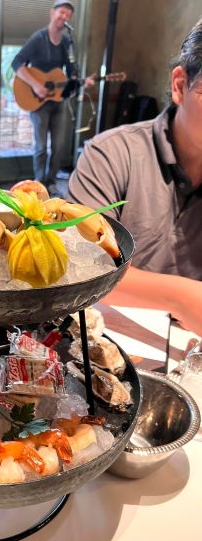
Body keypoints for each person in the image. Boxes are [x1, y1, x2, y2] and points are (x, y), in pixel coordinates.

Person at [69, 19, 202, 337]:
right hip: (112, 339)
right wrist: (182, 297)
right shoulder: (110, 155)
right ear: (180, 86)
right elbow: (84, 268)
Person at [12, 0, 93, 190]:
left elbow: (72, 71)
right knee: (41, 147)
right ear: (52, 13)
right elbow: (17, 63)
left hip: (58, 100)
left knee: (58, 146)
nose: (64, 17)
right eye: (61, 12)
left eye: (68, 15)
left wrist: (80, 81)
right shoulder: (38, 39)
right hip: (37, 101)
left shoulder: (67, 42)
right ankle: (38, 184)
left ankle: (51, 182)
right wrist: (36, 85)